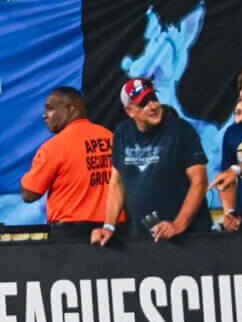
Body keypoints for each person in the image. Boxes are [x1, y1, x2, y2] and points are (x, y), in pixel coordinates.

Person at [108, 76, 209, 242]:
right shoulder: (122, 133)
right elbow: (116, 183)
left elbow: (199, 181)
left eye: (153, 98)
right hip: (142, 236)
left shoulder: (181, 130)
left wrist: (178, 224)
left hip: (186, 236)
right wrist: (109, 226)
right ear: (129, 111)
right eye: (143, 103)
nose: (153, 106)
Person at [19, 85, 118, 244]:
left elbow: (29, 194)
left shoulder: (54, 147)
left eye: (50, 109)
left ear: (70, 109)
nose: (45, 115)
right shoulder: (112, 138)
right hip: (114, 232)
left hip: (72, 236)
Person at [211, 71, 242, 234]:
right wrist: (229, 211)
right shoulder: (233, 133)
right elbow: (226, 177)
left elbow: (233, 171)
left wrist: (237, 169)